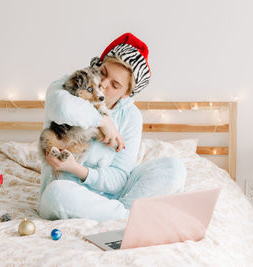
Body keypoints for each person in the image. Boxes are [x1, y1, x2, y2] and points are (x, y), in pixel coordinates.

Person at [38, 33, 186, 221]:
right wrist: (103, 121)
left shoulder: (131, 116)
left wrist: (78, 170)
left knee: (174, 167)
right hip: (69, 193)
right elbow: (62, 108)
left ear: (126, 94)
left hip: (115, 196)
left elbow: (119, 178)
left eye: (115, 85)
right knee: (56, 195)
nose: (103, 84)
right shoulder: (69, 86)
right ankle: (128, 218)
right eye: (103, 72)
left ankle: (120, 213)